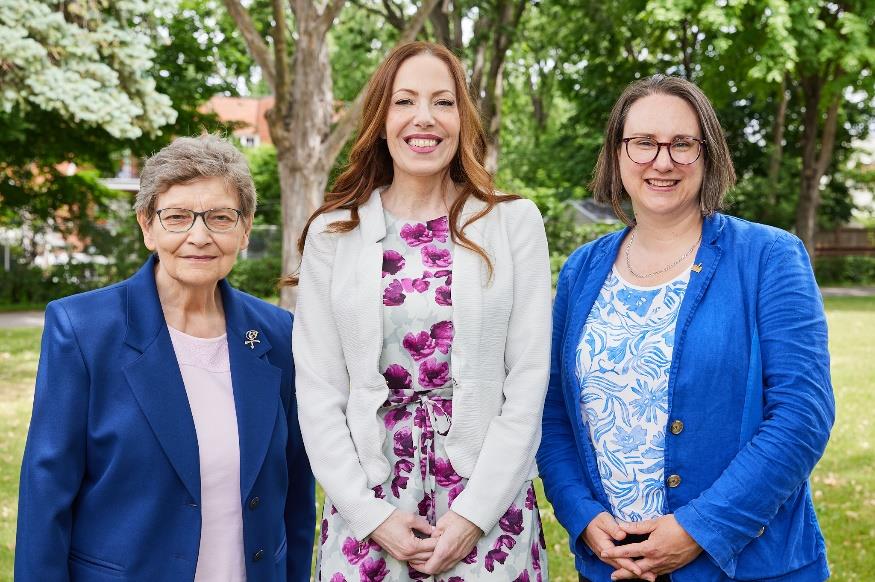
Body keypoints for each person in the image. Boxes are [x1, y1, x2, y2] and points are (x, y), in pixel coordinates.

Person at [537, 75, 834, 582]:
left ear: (708, 154)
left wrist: (699, 528)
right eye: (644, 143)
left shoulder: (768, 257)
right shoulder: (582, 270)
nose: (663, 160)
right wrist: (582, 517)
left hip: (749, 568)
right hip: (611, 566)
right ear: (617, 153)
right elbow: (553, 413)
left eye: (682, 144)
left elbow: (802, 415)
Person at [292, 41, 552, 580]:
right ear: (381, 119)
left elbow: (527, 382)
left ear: (464, 118)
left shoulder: (514, 224)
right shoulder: (333, 234)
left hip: (485, 502)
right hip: (370, 503)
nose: (424, 119)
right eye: (405, 101)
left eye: (443, 101)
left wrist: (473, 517)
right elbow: (318, 392)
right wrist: (369, 515)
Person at [15, 135, 315, 581]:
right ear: (147, 227)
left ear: (245, 229)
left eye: (219, 217)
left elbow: (294, 491)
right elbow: (46, 498)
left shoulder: (276, 333)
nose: (199, 236)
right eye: (176, 217)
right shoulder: (82, 330)